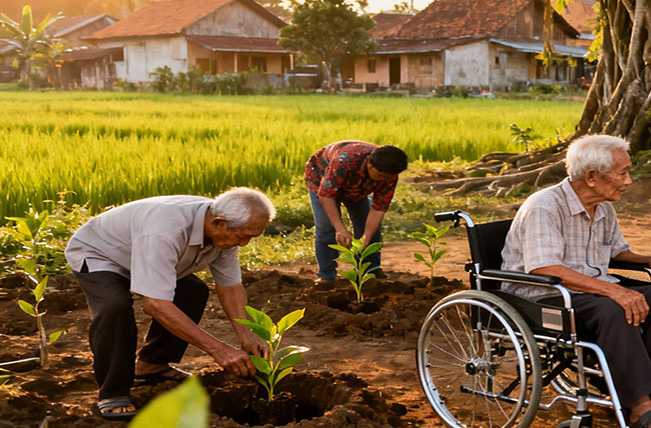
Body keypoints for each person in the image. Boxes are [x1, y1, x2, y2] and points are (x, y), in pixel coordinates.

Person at [500, 135, 651, 428]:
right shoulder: (545, 206)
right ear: (591, 176)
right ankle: (640, 407)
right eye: (622, 172)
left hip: (589, 290)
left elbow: (617, 252)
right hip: (542, 296)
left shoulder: (602, 206)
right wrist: (615, 291)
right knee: (615, 308)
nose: (628, 181)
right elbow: (545, 268)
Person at [65, 188, 276, 420]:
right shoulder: (165, 231)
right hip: (101, 252)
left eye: (251, 237)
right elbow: (155, 304)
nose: (244, 244)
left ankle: (151, 365)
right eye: (242, 236)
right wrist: (220, 350)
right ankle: (113, 391)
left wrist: (246, 338)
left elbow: (231, 288)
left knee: (193, 291)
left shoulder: (226, 229)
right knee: (114, 307)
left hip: (147, 252)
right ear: (218, 223)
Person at [305, 141, 408, 284]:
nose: (383, 180)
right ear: (370, 163)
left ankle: (370, 273)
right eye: (379, 175)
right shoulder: (345, 161)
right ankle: (326, 275)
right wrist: (340, 229)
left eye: (386, 177)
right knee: (326, 227)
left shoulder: (389, 175)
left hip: (357, 188)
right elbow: (326, 196)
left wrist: (366, 238)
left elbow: (378, 209)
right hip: (322, 178)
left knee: (369, 227)